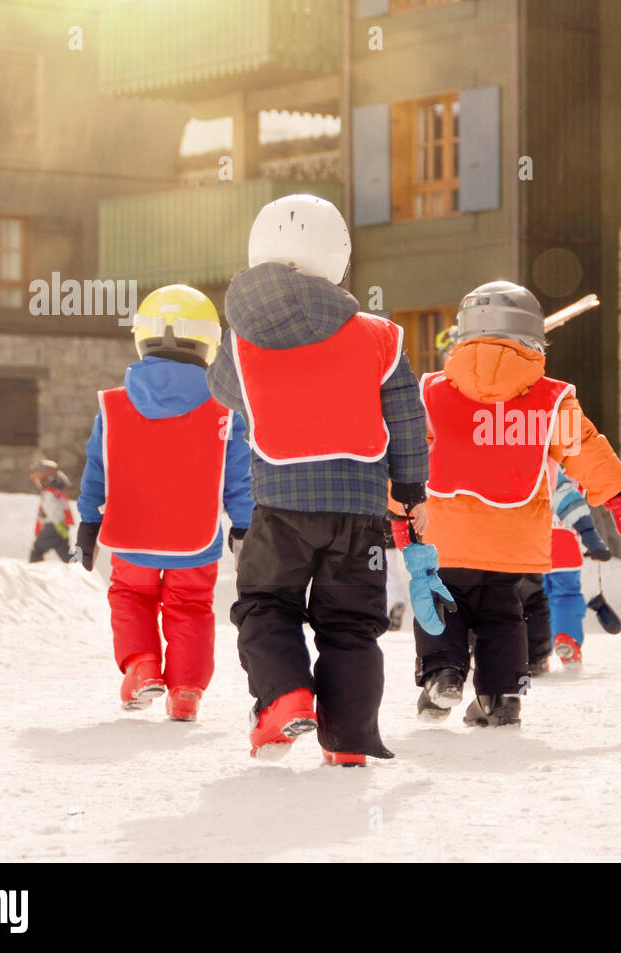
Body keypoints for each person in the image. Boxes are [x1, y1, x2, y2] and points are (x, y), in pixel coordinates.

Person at [205, 194, 448, 765]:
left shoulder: (240, 339)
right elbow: (407, 417)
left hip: (279, 502)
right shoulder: (380, 336)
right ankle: (349, 740)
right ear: (338, 254)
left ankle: (286, 697)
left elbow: (224, 391)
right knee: (351, 626)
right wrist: (411, 490)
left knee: (266, 603)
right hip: (360, 510)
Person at [406, 280, 621, 728]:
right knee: (502, 612)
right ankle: (503, 695)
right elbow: (583, 448)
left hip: (445, 534)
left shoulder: (431, 390)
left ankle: (443, 672)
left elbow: (407, 455)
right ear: (533, 335)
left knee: (439, 601)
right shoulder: (551, 400)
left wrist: (396, 512)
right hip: (512, 541)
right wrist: (618, 494)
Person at [75, 284, 253, 724]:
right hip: (196, 538)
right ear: (209, 342)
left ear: (143, 336)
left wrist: (87, 522)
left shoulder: (113, 406)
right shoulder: (224, 411)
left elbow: (98, 468)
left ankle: (141, 668)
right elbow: (239, 478)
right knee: (191, 605)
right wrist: (245, 527)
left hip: (131, 533)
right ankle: (187, 691)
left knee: (130, 597)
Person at [521, 463, 611, 675]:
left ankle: (532, 652)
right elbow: (589, 506)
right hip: (566, 538)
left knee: (533, 595)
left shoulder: (532, 452)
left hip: (532, 537)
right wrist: (597, 543)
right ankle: (566, 638)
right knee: (567, 593)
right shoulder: (578, 462)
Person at [28, 459, 74, 563]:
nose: (37, 483)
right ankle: (80, 571)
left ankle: (35, 572)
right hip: (62, 526)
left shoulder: (48, 493)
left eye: (37, 480)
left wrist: (58, 526)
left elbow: (54, 511)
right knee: (66, 554)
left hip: (53, 526)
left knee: (37, 551)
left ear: (45, 479)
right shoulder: (58, 492)